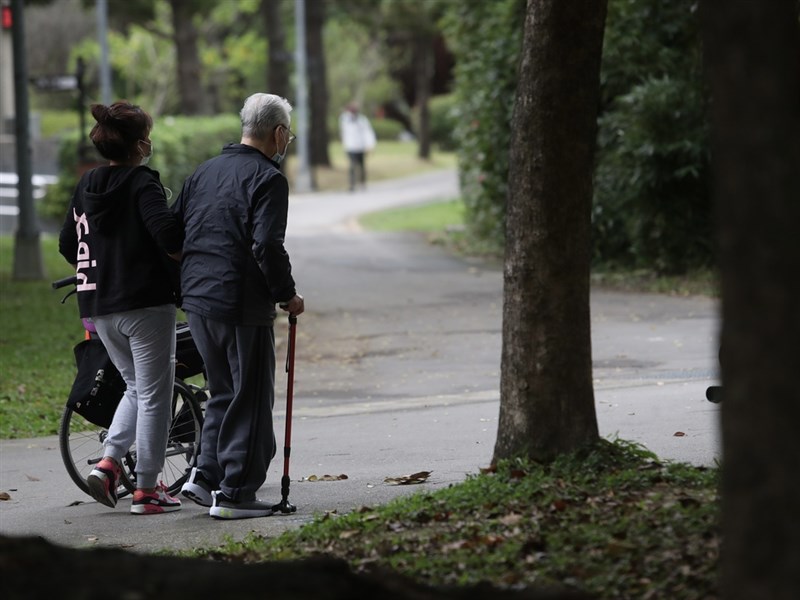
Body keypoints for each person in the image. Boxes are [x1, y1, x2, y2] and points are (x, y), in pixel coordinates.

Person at [174, 93, 305, 520]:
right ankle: (235, 493)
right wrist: (287, 295)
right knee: (248, 396)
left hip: (197, 299)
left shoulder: (204, 171)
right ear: (279, 133)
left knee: (222, 391)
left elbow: (172, 231)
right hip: (239, 302)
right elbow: (266, 243)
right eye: (289, 134)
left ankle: (205, 475)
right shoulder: (268, 179)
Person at [58, 101, 184, 515]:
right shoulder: (142, 182)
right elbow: (166, 233)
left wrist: (104, 267)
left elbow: (66, 243)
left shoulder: (86, 184)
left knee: (136, 387)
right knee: (154, 395)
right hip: (144, 304)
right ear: (139, 144)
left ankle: (110, 464)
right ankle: (148, 490)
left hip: (98, 304)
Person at [339, 102, 376, 191]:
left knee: (361, 165)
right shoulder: (344, 119)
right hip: (350, 146)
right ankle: (352, 184)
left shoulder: (362, 120)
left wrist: (370, 145)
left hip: (360, 146)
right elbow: (343, 133)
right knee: (352, 165)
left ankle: (362, 182)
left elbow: (368, 133)